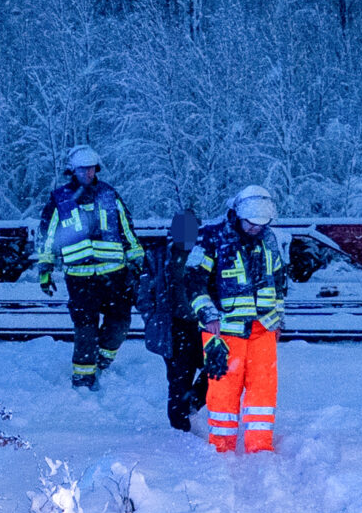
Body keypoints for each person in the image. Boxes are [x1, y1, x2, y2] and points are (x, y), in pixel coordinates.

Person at [33, 146, 146, 391]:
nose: (88, 173)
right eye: (83, 168)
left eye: (91, 168)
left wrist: (137, 259)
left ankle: (103, 360)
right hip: (80, 277)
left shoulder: (109, 194)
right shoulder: (60, 199)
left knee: (120, 322)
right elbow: (48, 236)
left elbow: (127, 229)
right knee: (85, 328)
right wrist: (45, 267)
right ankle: (83, 380)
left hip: (114, 274)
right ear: (72, 170)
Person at [187, 186, 287, 453]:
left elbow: (278, 281)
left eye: (261, 224)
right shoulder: (211, 236)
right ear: (238, 215)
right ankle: (221, 450)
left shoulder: (270, 239)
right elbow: (194, 280)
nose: (256, 229)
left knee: (263, 395)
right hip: (224, 330)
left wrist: (279, 319)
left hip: (264, 327)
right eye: (251, 224)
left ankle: (260, 449)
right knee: (223, 394)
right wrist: (207, 314)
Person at [139, 207, 209, 433]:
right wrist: (151, 317)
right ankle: (179, 430)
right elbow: (144, 293)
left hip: (204, 326)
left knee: (217, 371)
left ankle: (193, 403)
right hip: (174, 327)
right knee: (179, 380)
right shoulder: (158, 256)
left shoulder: (205, 253)